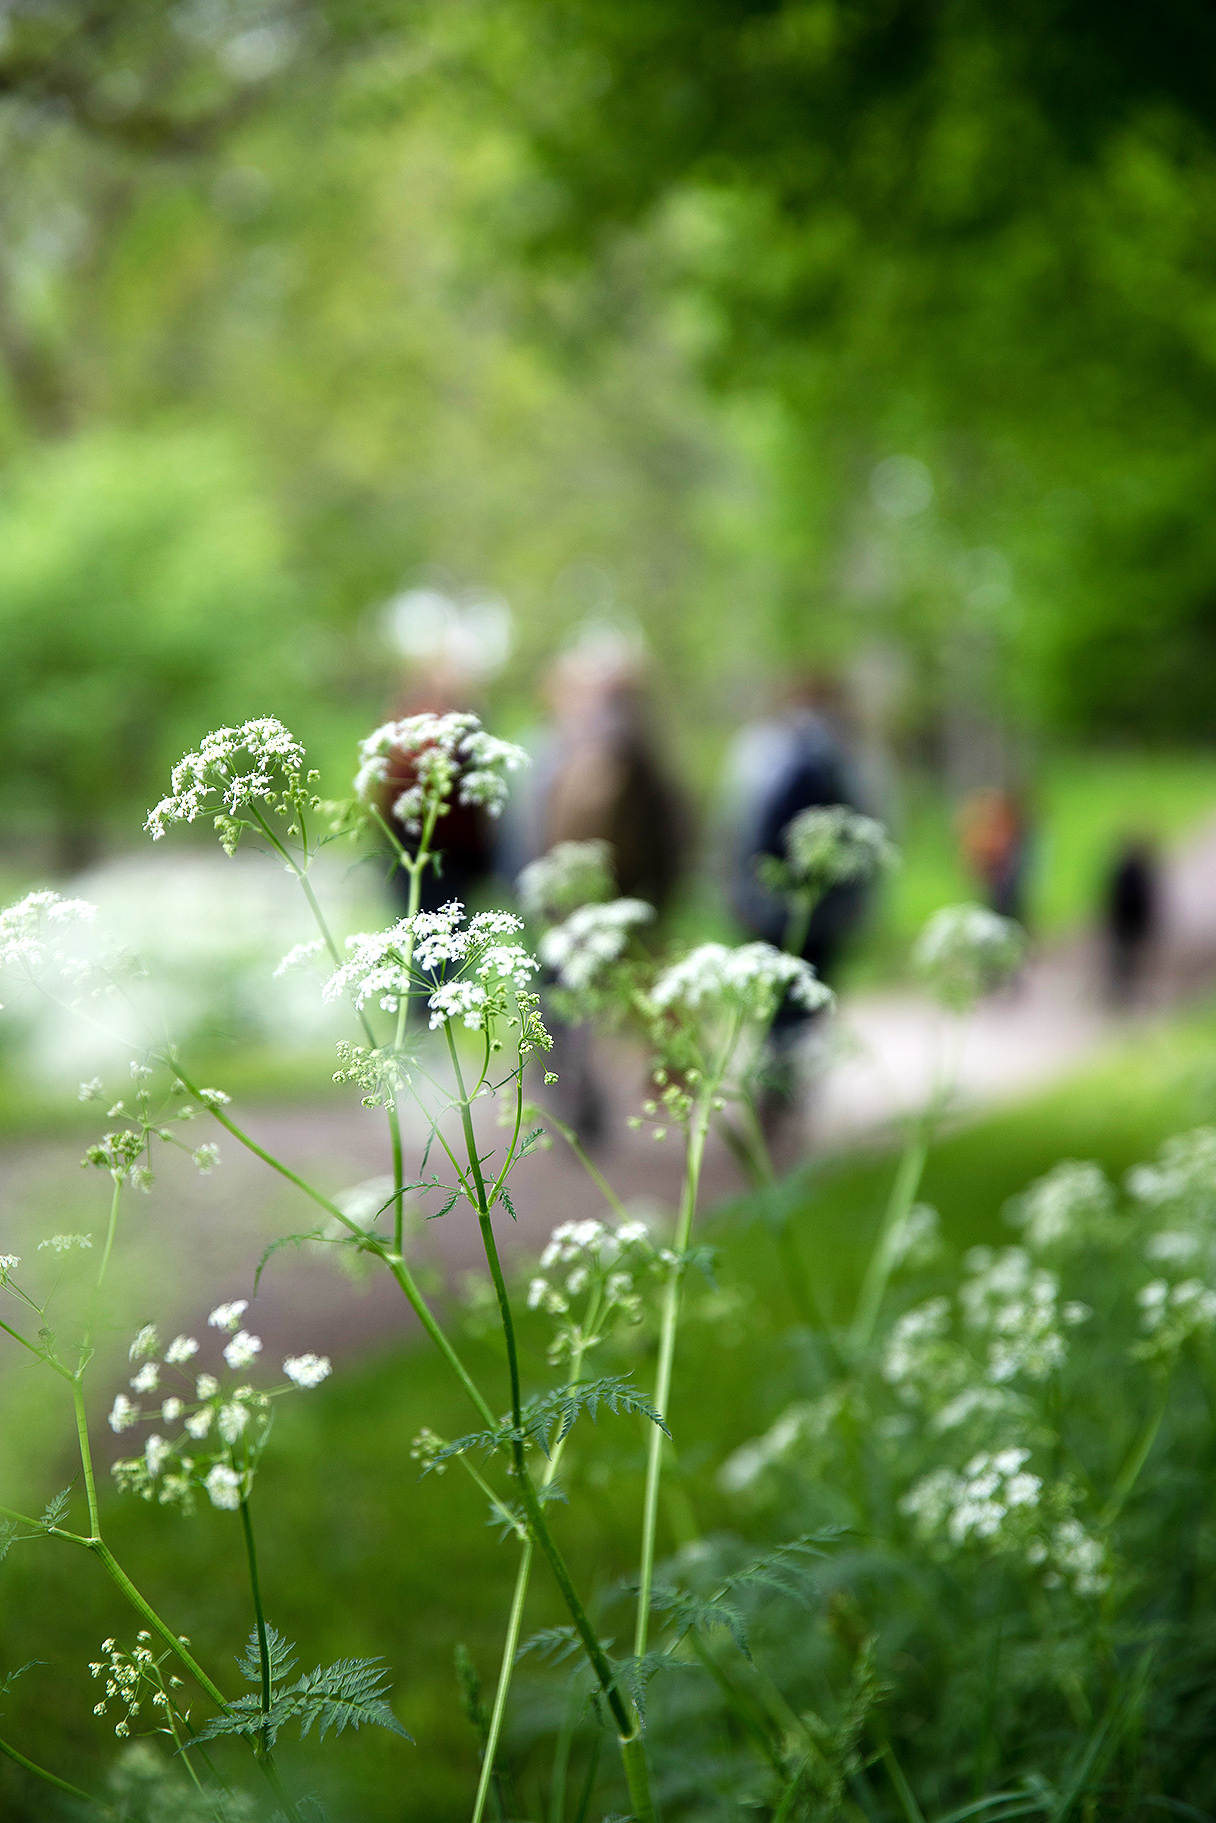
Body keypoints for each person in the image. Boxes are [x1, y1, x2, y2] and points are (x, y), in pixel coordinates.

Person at [521, 635, 688, 1143]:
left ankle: (580, 1097)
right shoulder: (627, 753)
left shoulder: (585, 753)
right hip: (599, 901)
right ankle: (579, 1095)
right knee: (579, 1002)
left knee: (574, 1001)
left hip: (584, 903)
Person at [725, 676, 874, 1121]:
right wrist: (855, 903)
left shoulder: (761, 752)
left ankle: (773, 1087)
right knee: (810, 995)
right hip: (824, 909)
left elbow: (740, 829)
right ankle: (791, 1090)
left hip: (770, 905)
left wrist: (741, 894)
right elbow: (868, 828)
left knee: (773, 1000)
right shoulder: (846, 757)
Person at [958, 788, 1032, 925]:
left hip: (1004, 871)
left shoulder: (1002, 821)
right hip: (994, 874)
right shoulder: (980, 826)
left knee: (1009, 904)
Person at [1104, 836, 1159, 1004]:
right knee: (1126, 959)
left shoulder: (1126, 872)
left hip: (1127, 923)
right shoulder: (1137, 873)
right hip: (1129, 923)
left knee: (1125, 959)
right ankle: (1121, 991)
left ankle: (1122, 991)